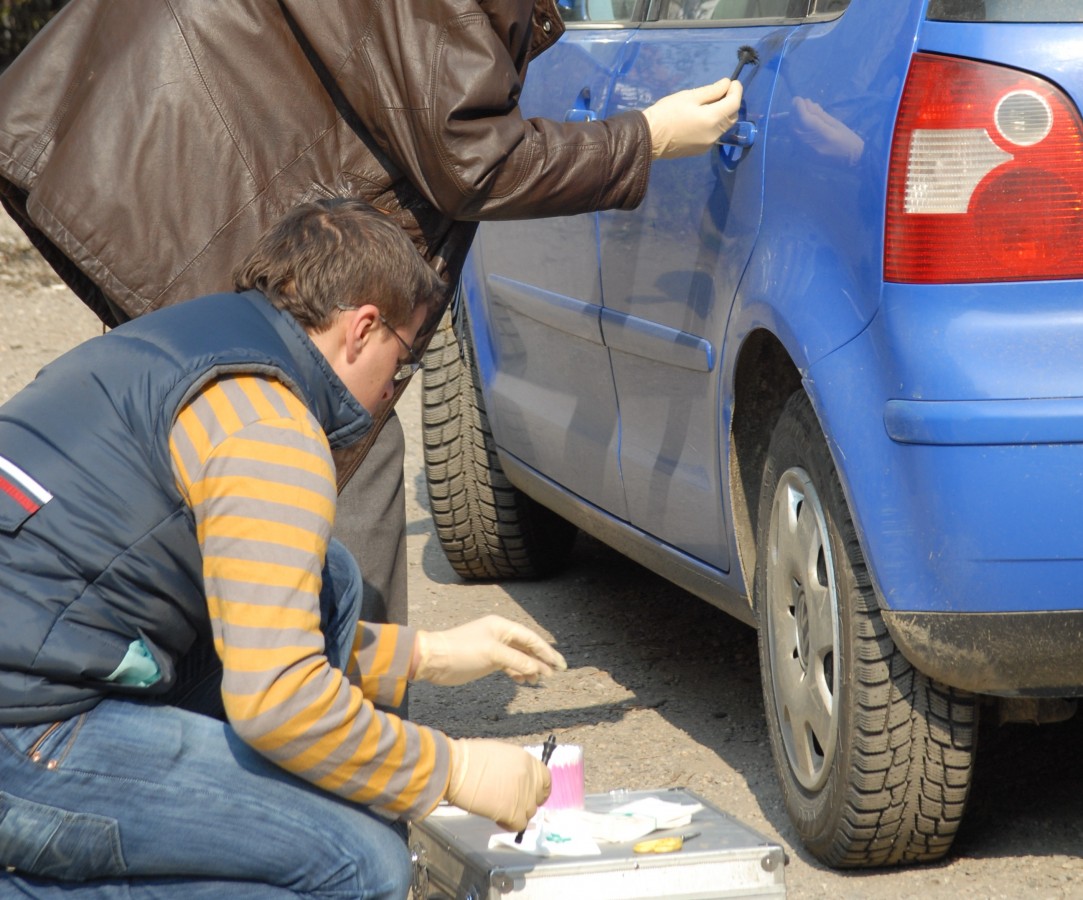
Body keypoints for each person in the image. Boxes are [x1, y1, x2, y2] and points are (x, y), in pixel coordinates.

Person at [0, 0, 744, 644]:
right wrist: (643, 137)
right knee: (339, 439)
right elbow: (473, 159)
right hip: (200, 174)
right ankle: (343, 743)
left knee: (200, 437)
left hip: (158, 146)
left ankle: (224, 701)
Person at [0, 198, 569, 897]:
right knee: (359, 863)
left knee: (325, 580)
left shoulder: (177, 341)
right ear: (363, 329)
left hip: (42, 663)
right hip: (28, 735)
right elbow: (277, 700)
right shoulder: (271, 430)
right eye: (405, 360)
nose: (396, 386)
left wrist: (426, 657)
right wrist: (451, 769)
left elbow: (252, 623)